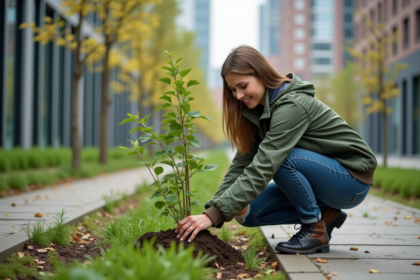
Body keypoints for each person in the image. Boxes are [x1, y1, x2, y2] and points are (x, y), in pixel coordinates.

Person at [175, 45, 376, 254]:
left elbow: (265, 164)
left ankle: (315, 230)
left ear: (261, 74)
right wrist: (212, 210)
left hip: (351, 181)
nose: (238, 95)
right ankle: (327, 215)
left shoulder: (292, 105)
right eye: (233, 89)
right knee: (247, 212)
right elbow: (241, 164)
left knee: (281, 159)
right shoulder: (260, 112)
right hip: (325, 181)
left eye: (243, 86)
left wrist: (212, 216)